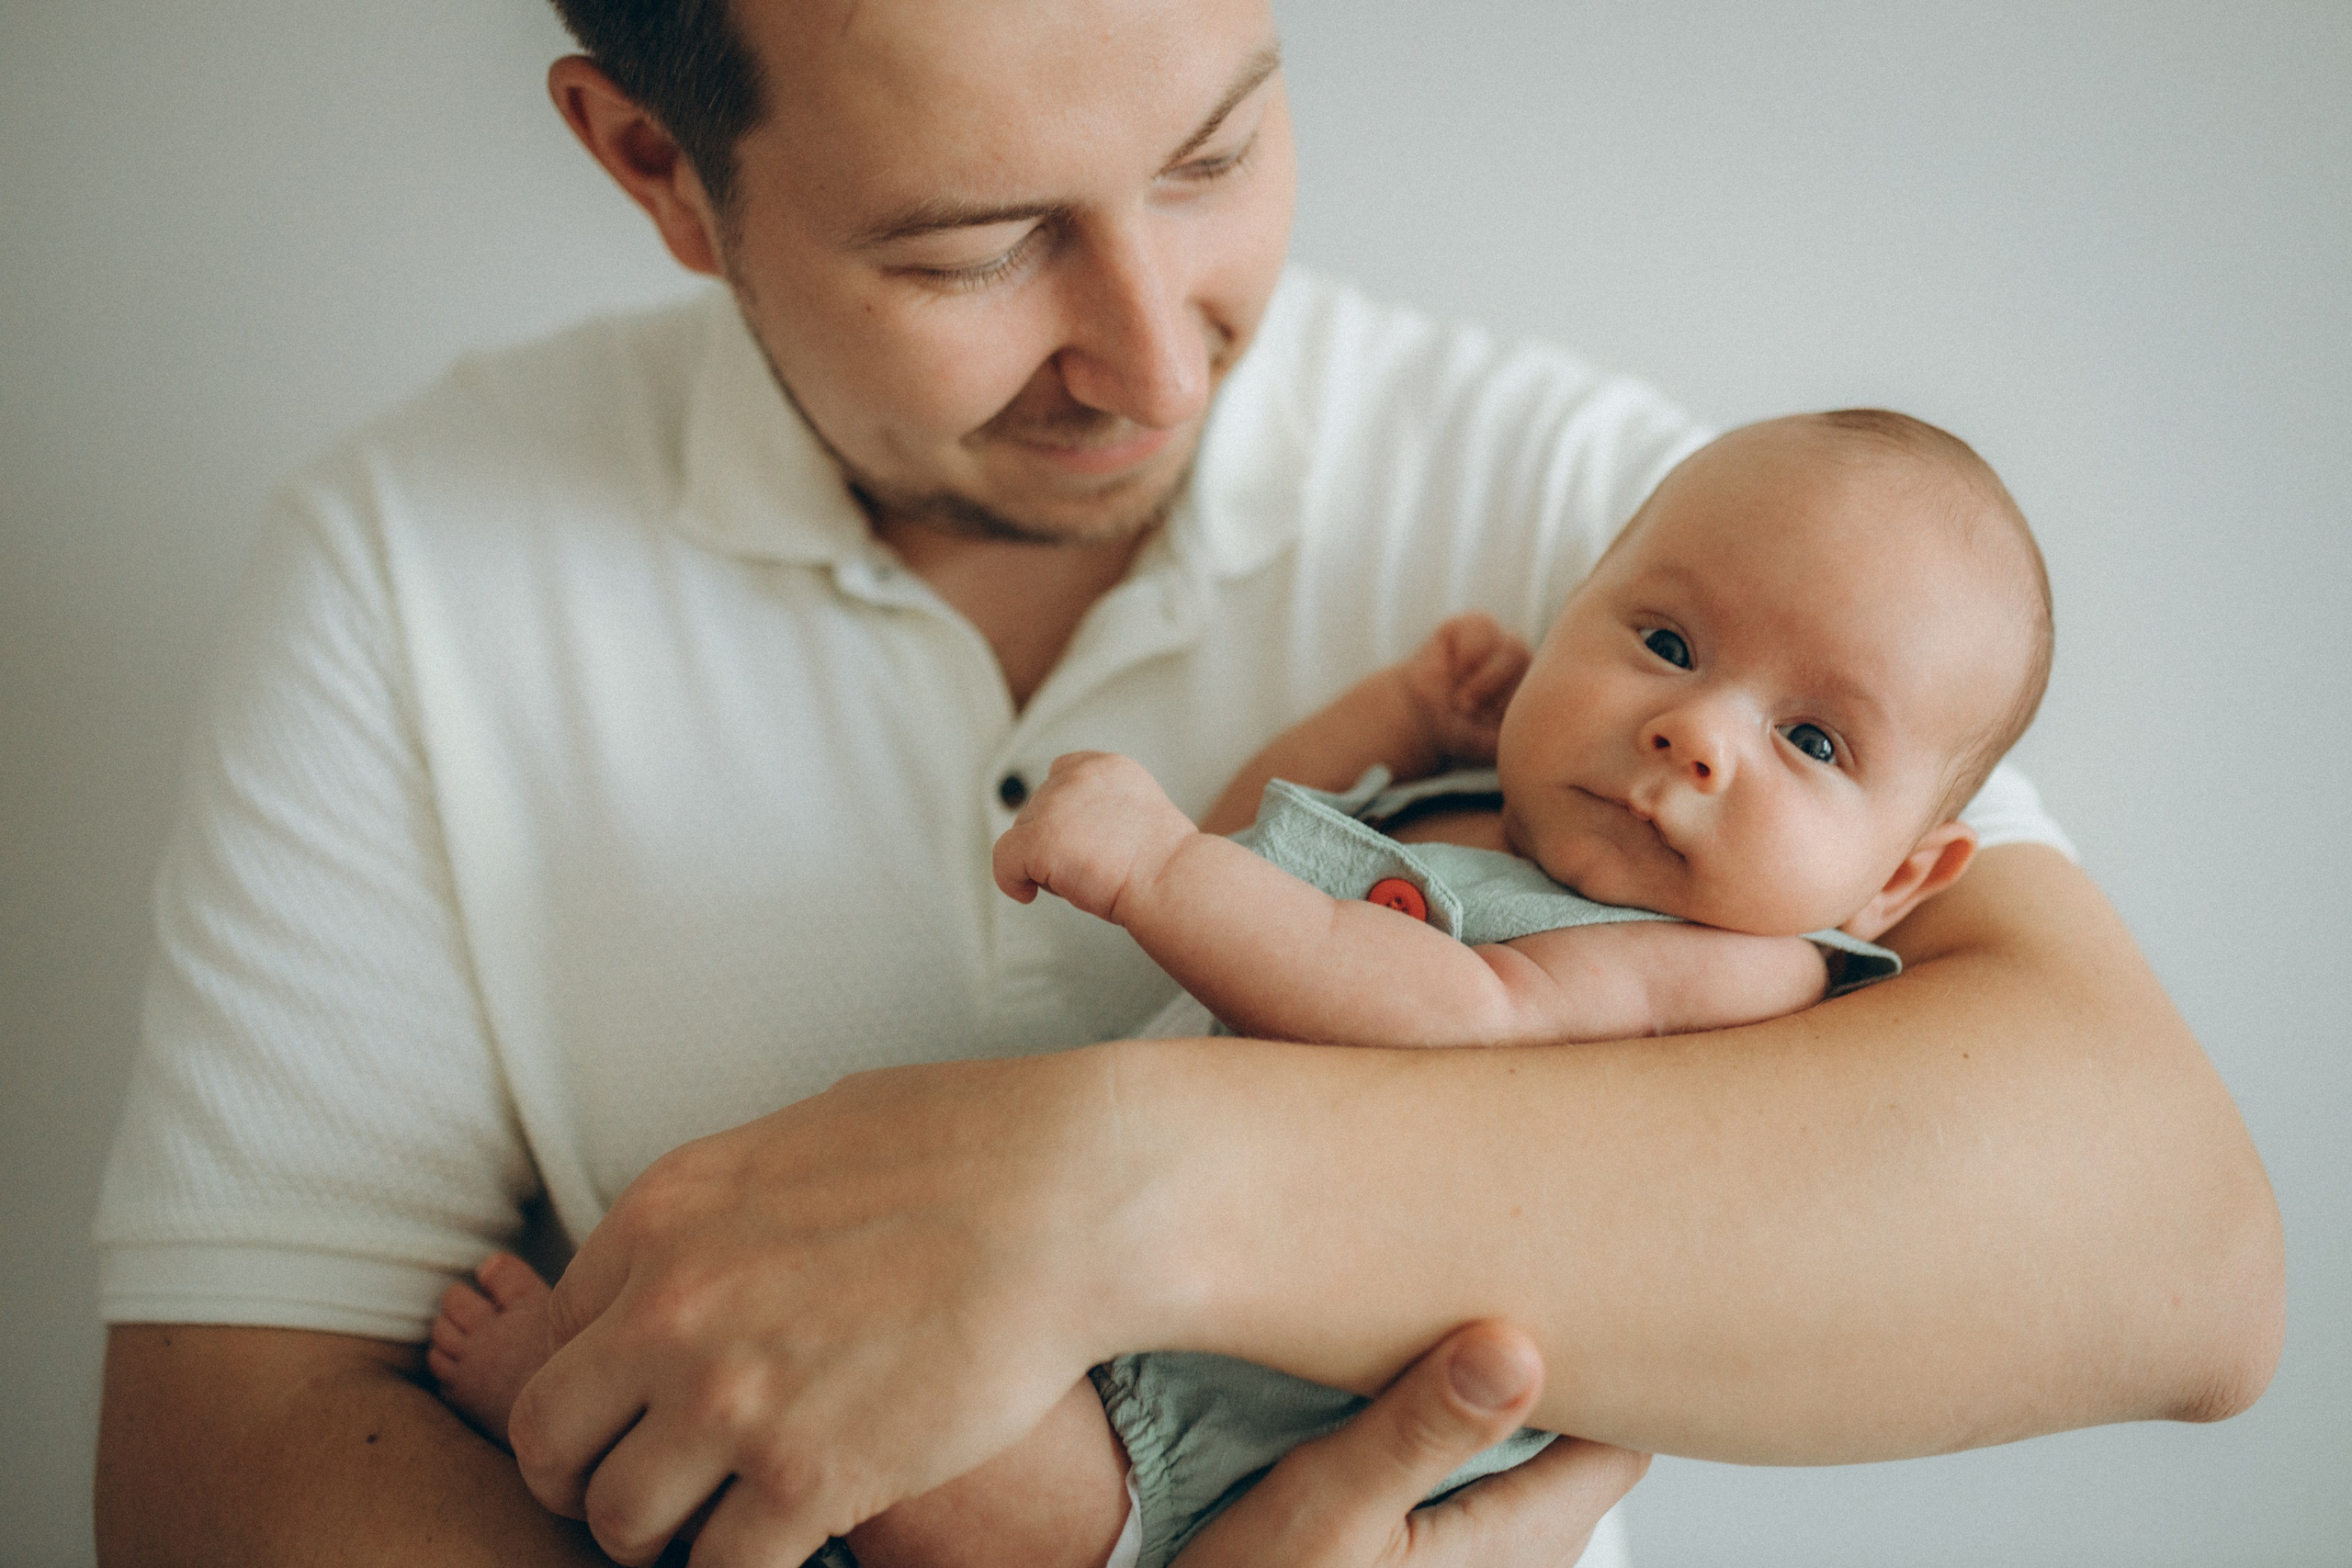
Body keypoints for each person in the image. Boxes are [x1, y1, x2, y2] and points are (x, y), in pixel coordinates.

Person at [91, 3, 2284, 1567]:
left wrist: (1089, 1194)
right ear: (651, 158)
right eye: (968, 247)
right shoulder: (410, 564)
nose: (1157, 359)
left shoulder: (1638, 517)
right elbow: (227, 1474)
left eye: (1215, 153)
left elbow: (2175, 1252)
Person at [424, 408, 2045, 1568]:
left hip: (1207, 1450)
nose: (1699, 732)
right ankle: (598, 1385)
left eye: (1814, 741)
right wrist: (1390, 721)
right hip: (1082, 1317)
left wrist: (1149, 876)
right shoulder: (1471, 812)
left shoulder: (1736, 969)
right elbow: (1264, 852)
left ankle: (570, 1431)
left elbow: (1449, 1019)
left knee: (925, 1468)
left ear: (1904, 876)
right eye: (1668, 642)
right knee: (789, 1319)